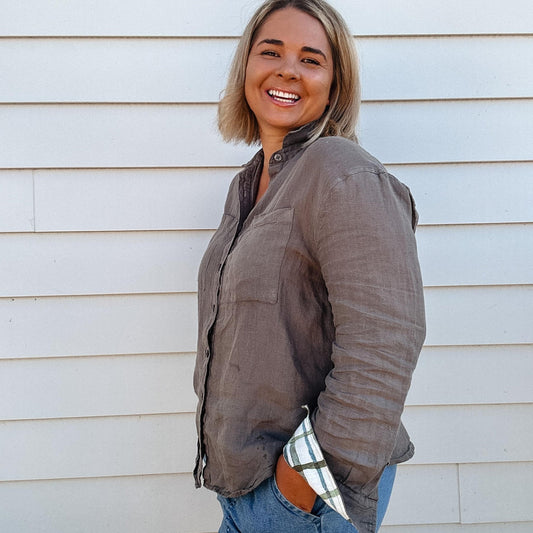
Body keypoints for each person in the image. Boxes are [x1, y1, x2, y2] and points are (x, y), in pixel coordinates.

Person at [193, 1, 426, 531]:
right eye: (270, 52)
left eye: (311, 59)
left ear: (334, 83)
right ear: (246, 68)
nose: (287, 70)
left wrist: (297, 490)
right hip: (245, 489)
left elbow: (385, 344)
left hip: (306, 499)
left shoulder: (342, 172)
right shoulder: (248, 186)